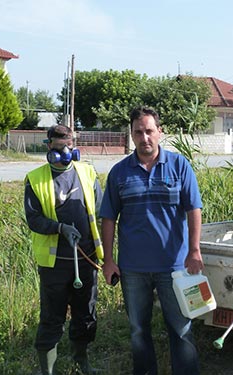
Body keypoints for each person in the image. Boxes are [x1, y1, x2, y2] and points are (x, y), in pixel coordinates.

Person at [100, 106, 203, 375]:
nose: (144, 137)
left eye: (149, 131)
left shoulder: (179, 166)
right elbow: (108, 218)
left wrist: (194, 250)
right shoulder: (119, 173)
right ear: (131, 135)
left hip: (174, 266)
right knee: (138, 330)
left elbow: (194, 209)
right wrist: (108, 260)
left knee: (181, 328)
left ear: (160, 132)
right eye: (138, 132)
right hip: (133, 268)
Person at [24, 124, 103, 375]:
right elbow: (34, 219)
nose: (64, 154)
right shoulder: (35, 179)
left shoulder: (88, 173)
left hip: (86, 257)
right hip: (55, 263)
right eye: (58, 149)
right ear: (49, 147)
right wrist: (60, 228)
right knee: (51, 317)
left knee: (85, 314)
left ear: (74, 145)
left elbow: (101, 210)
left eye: (68, 147)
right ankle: (46, 369)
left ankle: (82, 361)